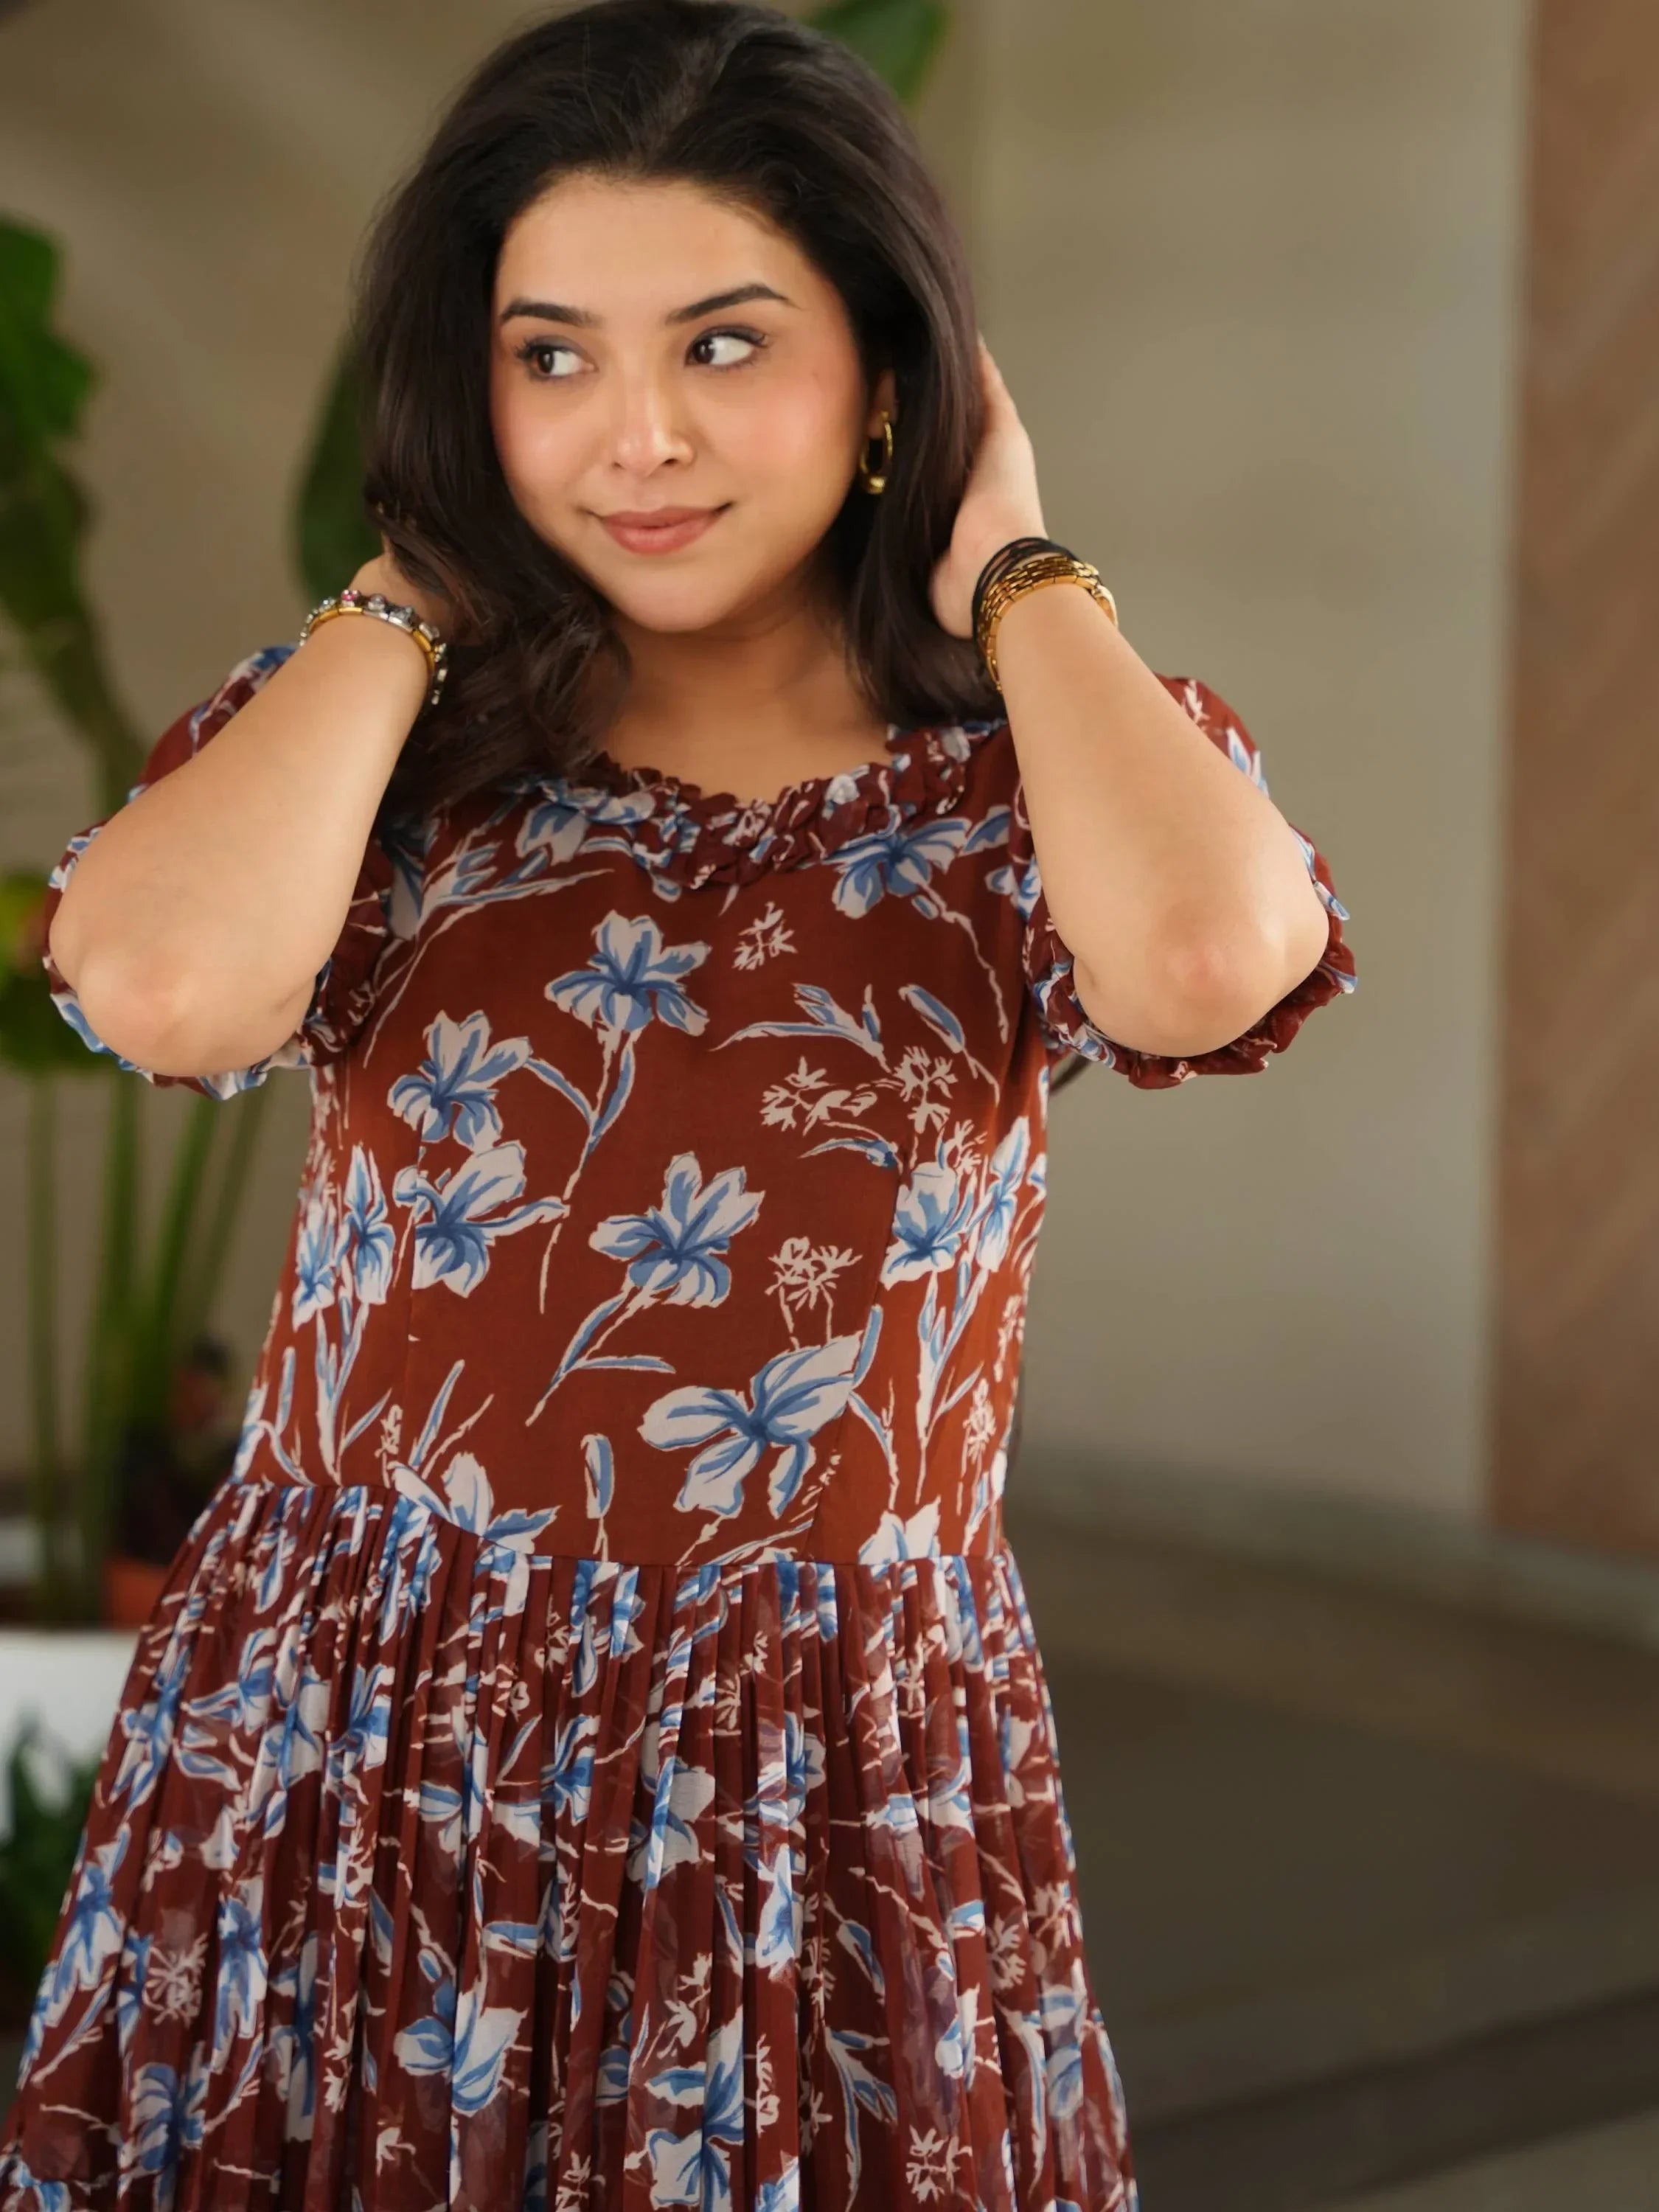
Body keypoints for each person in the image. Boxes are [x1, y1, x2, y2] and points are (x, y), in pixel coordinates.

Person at [0, 2, 1355, 2205]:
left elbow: (1209, 960)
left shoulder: (1029, 775)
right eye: (549, 358)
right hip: (361, 1746)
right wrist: (419, 581)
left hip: (817, 1789)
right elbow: (155, 986)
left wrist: (1018, 566)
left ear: (891, 370)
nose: (632, 438)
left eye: (723, 346)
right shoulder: (383, 745)